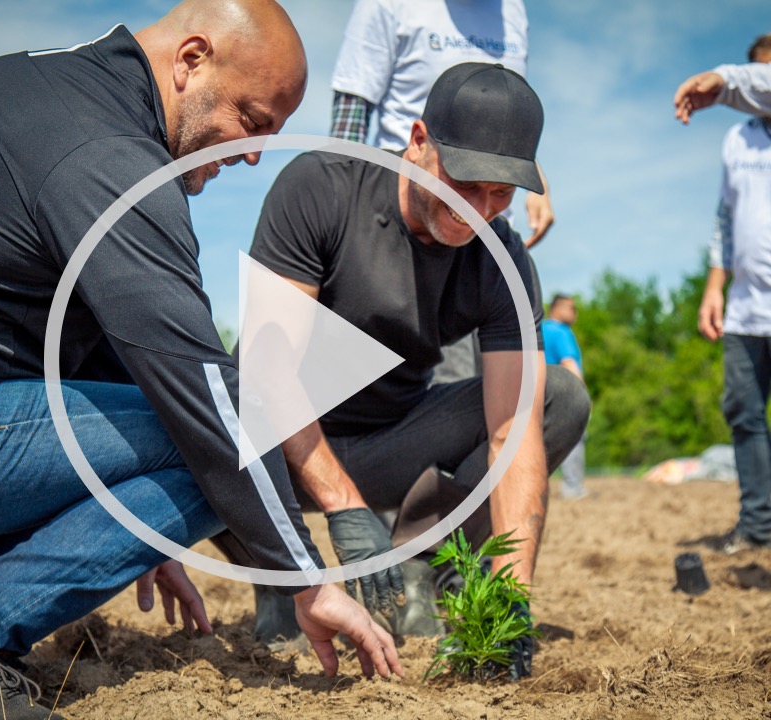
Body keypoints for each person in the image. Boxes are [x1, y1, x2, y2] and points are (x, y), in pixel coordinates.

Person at [0, 2, 402, 718]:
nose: (252, 153)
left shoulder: (55, 93)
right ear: (192, 61)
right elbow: (202, 391)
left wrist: (141, 531)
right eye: (253, 119)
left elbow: (118, 359)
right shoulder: (109, 154)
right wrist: (308, 579)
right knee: (227, 428)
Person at [223, 62, 589, 680]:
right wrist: (343, 508)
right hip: (268, 455)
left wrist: (511, 600)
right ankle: (282, 568)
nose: (478, 210)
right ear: (419, 142)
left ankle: (421, 557)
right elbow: (267, 371)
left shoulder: (502, 261)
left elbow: (511, 430)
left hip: (388, 444)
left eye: (501, 194)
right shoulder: (324, 187)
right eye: (465, 183)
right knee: (196, 409)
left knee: (558, 399)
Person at [329, 0, 554, 383]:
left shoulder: (512, 11)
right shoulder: (389, 5)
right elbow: (349, 127)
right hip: (419, 233)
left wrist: (538, 185)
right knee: (445, 384)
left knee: (513, 398)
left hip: (489, 247)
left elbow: (508, 118)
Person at [692, 35, 771, 555]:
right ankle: (758, 525)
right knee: (744, 416)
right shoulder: (736, 141)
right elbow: (724, 219)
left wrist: (723, 80)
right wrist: (714, 287)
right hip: (745, 310)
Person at [541, 295, 589, 500]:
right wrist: (582, 394)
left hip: (538, 392)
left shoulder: (539, 329)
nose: (575, 313)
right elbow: (568, 361)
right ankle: (573, 487)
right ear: (558, 308)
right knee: (574, 437)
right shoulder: (561, 331)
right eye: (572, 308)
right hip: (563, 395)